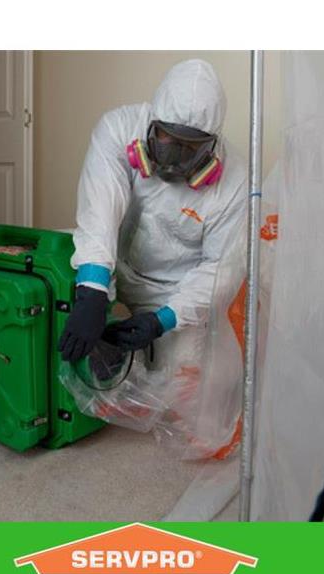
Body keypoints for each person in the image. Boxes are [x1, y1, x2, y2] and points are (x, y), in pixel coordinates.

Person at [58, 59, 247, 374]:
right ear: (151, 123)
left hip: (174, 289)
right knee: (73, 338)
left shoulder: (235, 179)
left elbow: (220, 269)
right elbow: (99, 213)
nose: (175, 155)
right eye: (166, 138)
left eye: (190, 146)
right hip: (113, 266)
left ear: (211, 145)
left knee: (179, 378)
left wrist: (162, 321)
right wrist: (91, 292)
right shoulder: (118, 129)